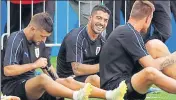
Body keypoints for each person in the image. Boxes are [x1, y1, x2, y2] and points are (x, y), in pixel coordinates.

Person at [1, 12, 127, 100]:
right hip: (13, 87)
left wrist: (58, 82)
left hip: (33, 86)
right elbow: (8, 70)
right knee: (43, 79)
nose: (44, 40)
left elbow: (48, 69)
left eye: (46, 37)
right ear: (33, 29)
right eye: (42, 36)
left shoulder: (39, 43)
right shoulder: (16, 38)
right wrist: (34, 65)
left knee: (64, 80)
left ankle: (110, 95)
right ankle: (76, 96)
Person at [100, 1, 176, 100]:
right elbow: (152, 66)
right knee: (150, 72)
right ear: (148, 18)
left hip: (128, 79)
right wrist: (173, 57)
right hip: (117, 89)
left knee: (154, 45)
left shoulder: (129, 31)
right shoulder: (128, 33)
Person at [56, 5, 109, 88]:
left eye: (105, 20)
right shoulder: (76, 37)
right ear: (90, 18)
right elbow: (77, 69)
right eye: (98, 18)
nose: (102, 23)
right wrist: (104, 66)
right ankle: (118, 94)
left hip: (87, 75)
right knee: (94, 79)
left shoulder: (102, 41)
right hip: (68, 79)